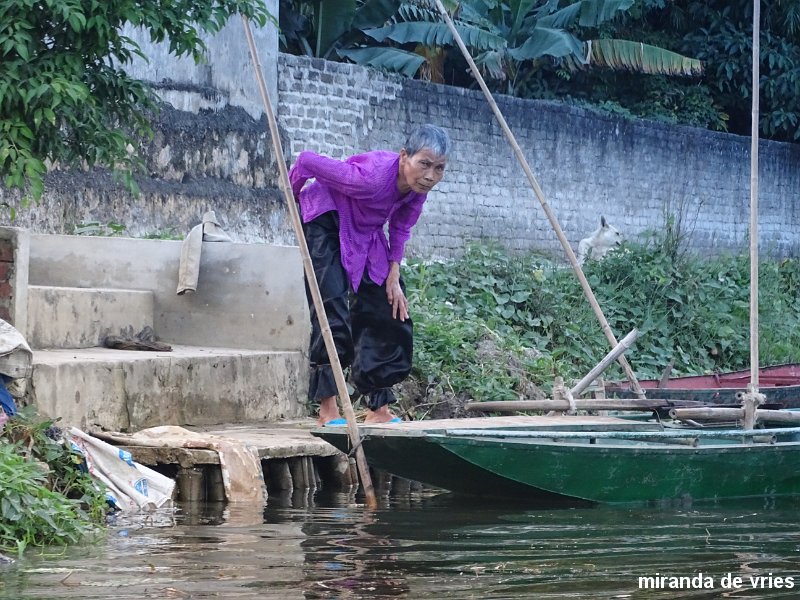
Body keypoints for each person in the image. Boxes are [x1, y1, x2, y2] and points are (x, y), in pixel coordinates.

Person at [289, 124, 451, 425]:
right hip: (327, 218)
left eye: (439, 168)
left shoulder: (417, 190)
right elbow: (307, 162)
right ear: (405, 157)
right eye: (424, 164)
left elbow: (401, 227)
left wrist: (393, 272)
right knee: (331, 305)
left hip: (366, 230)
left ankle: (378, 409)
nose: (431, 176)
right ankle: (328, 408)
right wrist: (293, 195)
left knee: (390, 307)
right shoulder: (372, 178)